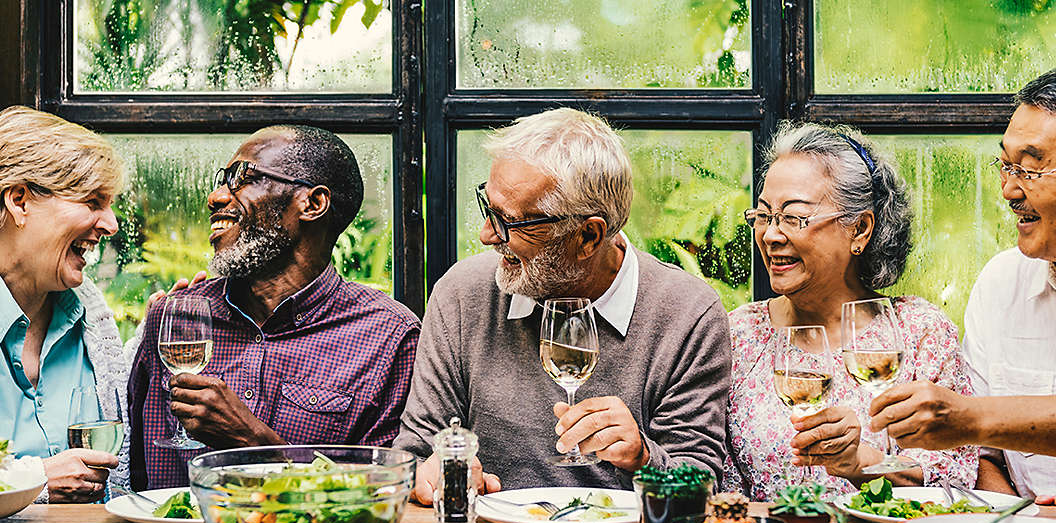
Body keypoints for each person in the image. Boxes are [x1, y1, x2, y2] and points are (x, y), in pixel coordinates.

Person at [393, 108, 730, 502]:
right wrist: (433, 473)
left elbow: (702, 487)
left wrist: (643, 457)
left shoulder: (688, 315)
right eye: (488, 209)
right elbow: (414, 455)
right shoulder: (463, 295)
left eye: (510, 222)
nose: (487, 235)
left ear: (588, 236)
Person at [127, 125, 420, 490]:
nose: (216, 197)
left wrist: (255, 443)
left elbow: (381, 494)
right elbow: (135, 477)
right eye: (222, 180)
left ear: (312, 204)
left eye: (242, 179)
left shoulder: (390, 337)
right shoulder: (174, 319)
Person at [870, 63, 1056, 501]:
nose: (1009, 192)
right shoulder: (1002, 283)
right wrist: (1021, 512)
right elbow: (985, 457)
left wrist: (972, 416)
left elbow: (976, 424)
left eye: (1031, 169)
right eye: (1005, 166)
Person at [722, 122, 978, 500]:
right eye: (763, 216)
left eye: (794, 217)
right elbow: (711, 478)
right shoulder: (739, 334)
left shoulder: (919, 333)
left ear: (859, 229)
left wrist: (860, 462)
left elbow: (954, 476)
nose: (772, 235)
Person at [0, 105, 128, 502]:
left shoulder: (90, 318)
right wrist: (35, 479)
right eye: (92, 202)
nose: (111, 224)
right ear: (19, 201)